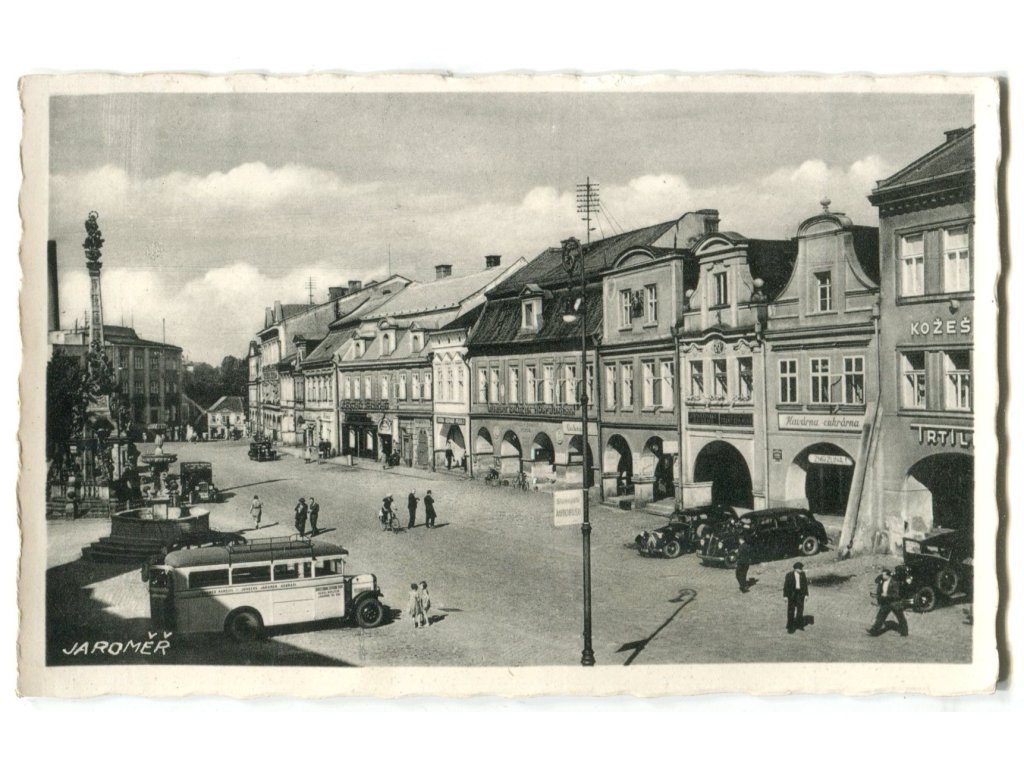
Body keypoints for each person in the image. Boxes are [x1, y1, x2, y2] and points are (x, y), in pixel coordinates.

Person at [867, 567, 909, 637]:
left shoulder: (894, 583)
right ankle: (874, 631)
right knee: (880, 617)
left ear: (888, 575)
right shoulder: (883, 581)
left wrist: (887, 595)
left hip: (895, 603)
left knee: (900, 618)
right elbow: (876, 580)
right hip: (886, 603)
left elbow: (896, 595)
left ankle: (904, 632)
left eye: (884, 575)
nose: (882, 576)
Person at [783, 562, 809, 633]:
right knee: (791, 611)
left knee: (800, 610)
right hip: (792, 595)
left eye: (801, 568)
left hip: (800, 594)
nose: (801, 570)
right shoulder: (789, 575)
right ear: (795, 569)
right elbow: (786, 586)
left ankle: (799, 625)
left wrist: (806, 595)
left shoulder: (803, 574)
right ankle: (790, 626)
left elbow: (805, 585)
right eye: (800, 569)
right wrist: (785, 596)